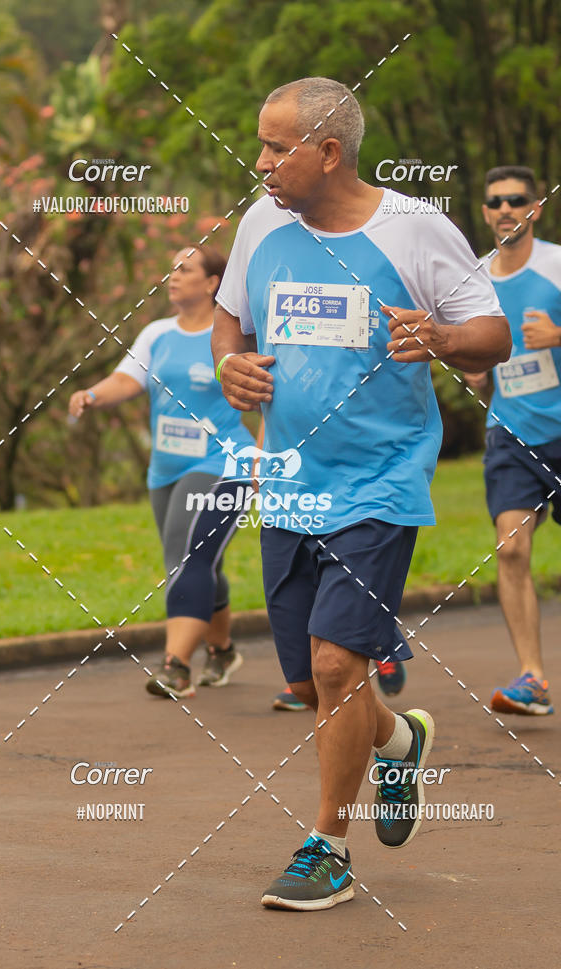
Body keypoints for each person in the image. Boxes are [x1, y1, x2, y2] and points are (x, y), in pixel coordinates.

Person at [212, 77, 510, 911]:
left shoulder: (415, 229)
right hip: (292, 484)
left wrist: (443, 336)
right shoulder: (260, 223)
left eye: (276, 148)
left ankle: (328, 849)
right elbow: (230, 321)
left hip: (382, 480)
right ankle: (399, 735)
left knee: (341, 662)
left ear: (328, 152)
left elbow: (492, 335)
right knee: (315, 682)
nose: (261, 162)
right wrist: (227, 364)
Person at [69, 245, 253, 698]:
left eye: (185, 269)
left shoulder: (234, 337)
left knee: (185, 556)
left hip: (222, 464)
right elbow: (128, 379)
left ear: (212, 283)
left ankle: (176, 667)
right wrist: (92, 395)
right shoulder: (157, 333)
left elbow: (266, 391)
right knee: (202, 561)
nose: (172, 276)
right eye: (172, 268)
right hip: (165, 470)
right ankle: (223, 649)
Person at [465, 166, 561, 716]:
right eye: (495, 201)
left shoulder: (555, 264)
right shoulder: (476, 276)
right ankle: (533, 678)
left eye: (516, 200)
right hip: (513, 431)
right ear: (485, 212)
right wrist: (475, 368)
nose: (505, 209)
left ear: (536, 207)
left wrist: (557, 335)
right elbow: (471, 348)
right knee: (511, 545)